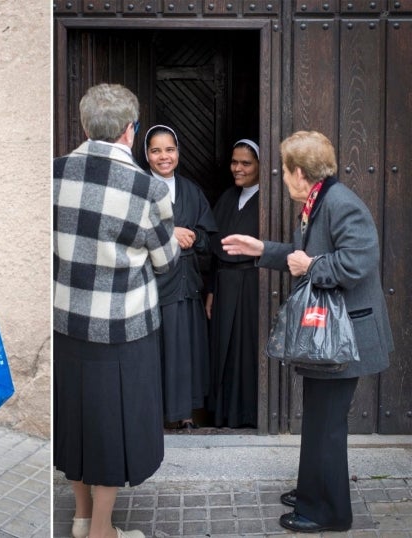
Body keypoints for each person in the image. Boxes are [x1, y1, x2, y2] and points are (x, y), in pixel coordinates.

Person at [221, 130, 393, 533]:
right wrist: (262, 249)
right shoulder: (318, 199)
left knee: (328, 423)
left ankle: (330, 512)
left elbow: (357, 262)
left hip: (345, 337)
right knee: (318, 418)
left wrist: (311, 267)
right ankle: (313, 490)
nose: (281, 177)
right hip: (330, 337)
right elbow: (304, 256)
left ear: (299, 173)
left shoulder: (341, 204)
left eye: (283, 171)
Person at [53, 84, 180, 538]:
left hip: (67, 321)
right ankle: (103, 531)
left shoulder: (54, 173)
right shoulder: (146, 189)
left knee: (76, 420)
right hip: (124, 329)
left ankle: (81, 517)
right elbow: (167, 262)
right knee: (110, 426)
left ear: (86, 126)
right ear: (130, 131)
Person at [144, 125, 217, 430]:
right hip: (154, 286)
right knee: (159, 351)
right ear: (146, 154)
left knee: (186, 351)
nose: (164, 156)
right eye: (156, 150)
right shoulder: (138, 190)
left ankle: (186, 414)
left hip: (187, 284)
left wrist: (193, 237)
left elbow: (209, 238)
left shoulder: (191, 190)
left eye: (170, 149)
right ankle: (155, 415)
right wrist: (168, 233)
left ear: (178, 152)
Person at [205, 139, 260, 428]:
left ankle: (247, 416)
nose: (237, 169)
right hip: (224, 285)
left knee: (245, 349)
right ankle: (223, 415)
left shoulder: (268, 200)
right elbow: (216, 250)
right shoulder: (227, 198)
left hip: (252, 286)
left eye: (246, 163)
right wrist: (212, 290)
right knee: (222, 350)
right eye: (234, 162)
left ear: (262, 166)